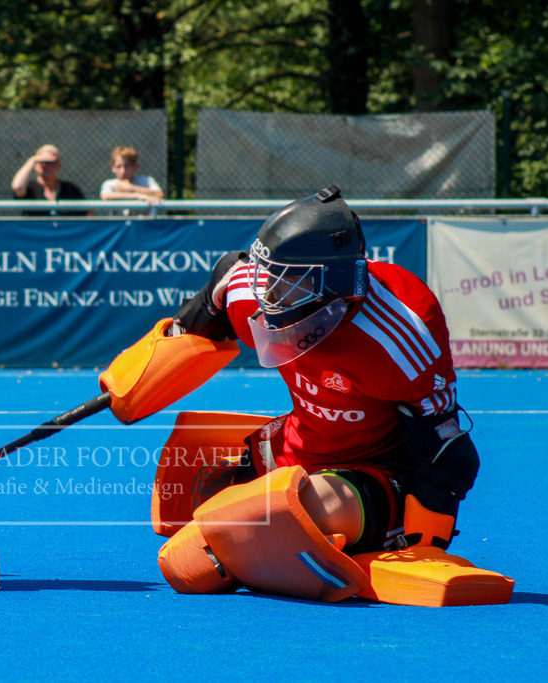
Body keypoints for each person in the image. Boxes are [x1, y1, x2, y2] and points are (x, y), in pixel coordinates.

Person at [158, 185, 483, 601]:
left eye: (284, 283)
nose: (265, 294)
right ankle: (274, 549)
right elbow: (218, 292)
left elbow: (447, 453)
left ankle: (359, 535)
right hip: (301, 441)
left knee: (254, 528)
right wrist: (138, 378)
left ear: (332, 283)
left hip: (372, 470)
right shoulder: (246, 288)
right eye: (265, 275)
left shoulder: (401, 330)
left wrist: (424, 549)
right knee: (194, 518)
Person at [10, 144, 87, 216]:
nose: (48, 166)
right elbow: (17, 187)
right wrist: (32, 160)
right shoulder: (30, 188)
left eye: (52, 162)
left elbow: (88, 213)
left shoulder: (70, 188)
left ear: (59, 165)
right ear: (36, 165)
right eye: (44, 162)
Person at [99, 146, 163, 210]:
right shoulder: (109, 184)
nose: (123, 171)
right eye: (118, 166)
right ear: (113, 167)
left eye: (127, 166)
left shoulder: (147, 180)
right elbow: (105, 196)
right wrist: (138, 196)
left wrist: (131, 188)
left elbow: (159, 194)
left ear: (135, 166)